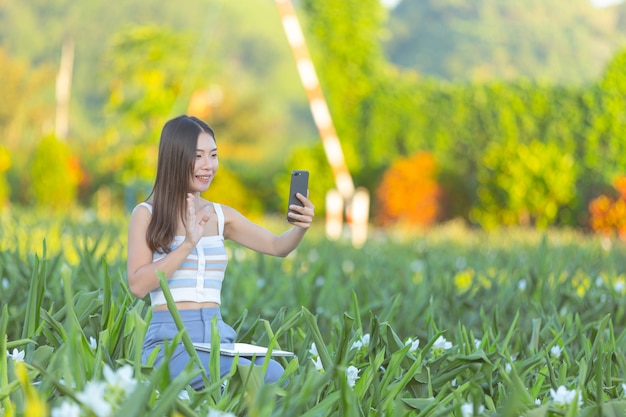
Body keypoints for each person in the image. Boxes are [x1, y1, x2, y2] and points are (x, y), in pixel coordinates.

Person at [127, 115, 315, 389]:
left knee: (279, 374)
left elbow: (277, 246)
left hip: (218, 340)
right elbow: (137, 285)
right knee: (251, 377)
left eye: (213, 155)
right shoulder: (146, 214)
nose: (208, 165)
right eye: (198, 156)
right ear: (176, 158)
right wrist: (187, 245)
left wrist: (301, 227)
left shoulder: (220, 215)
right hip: (171, 344)